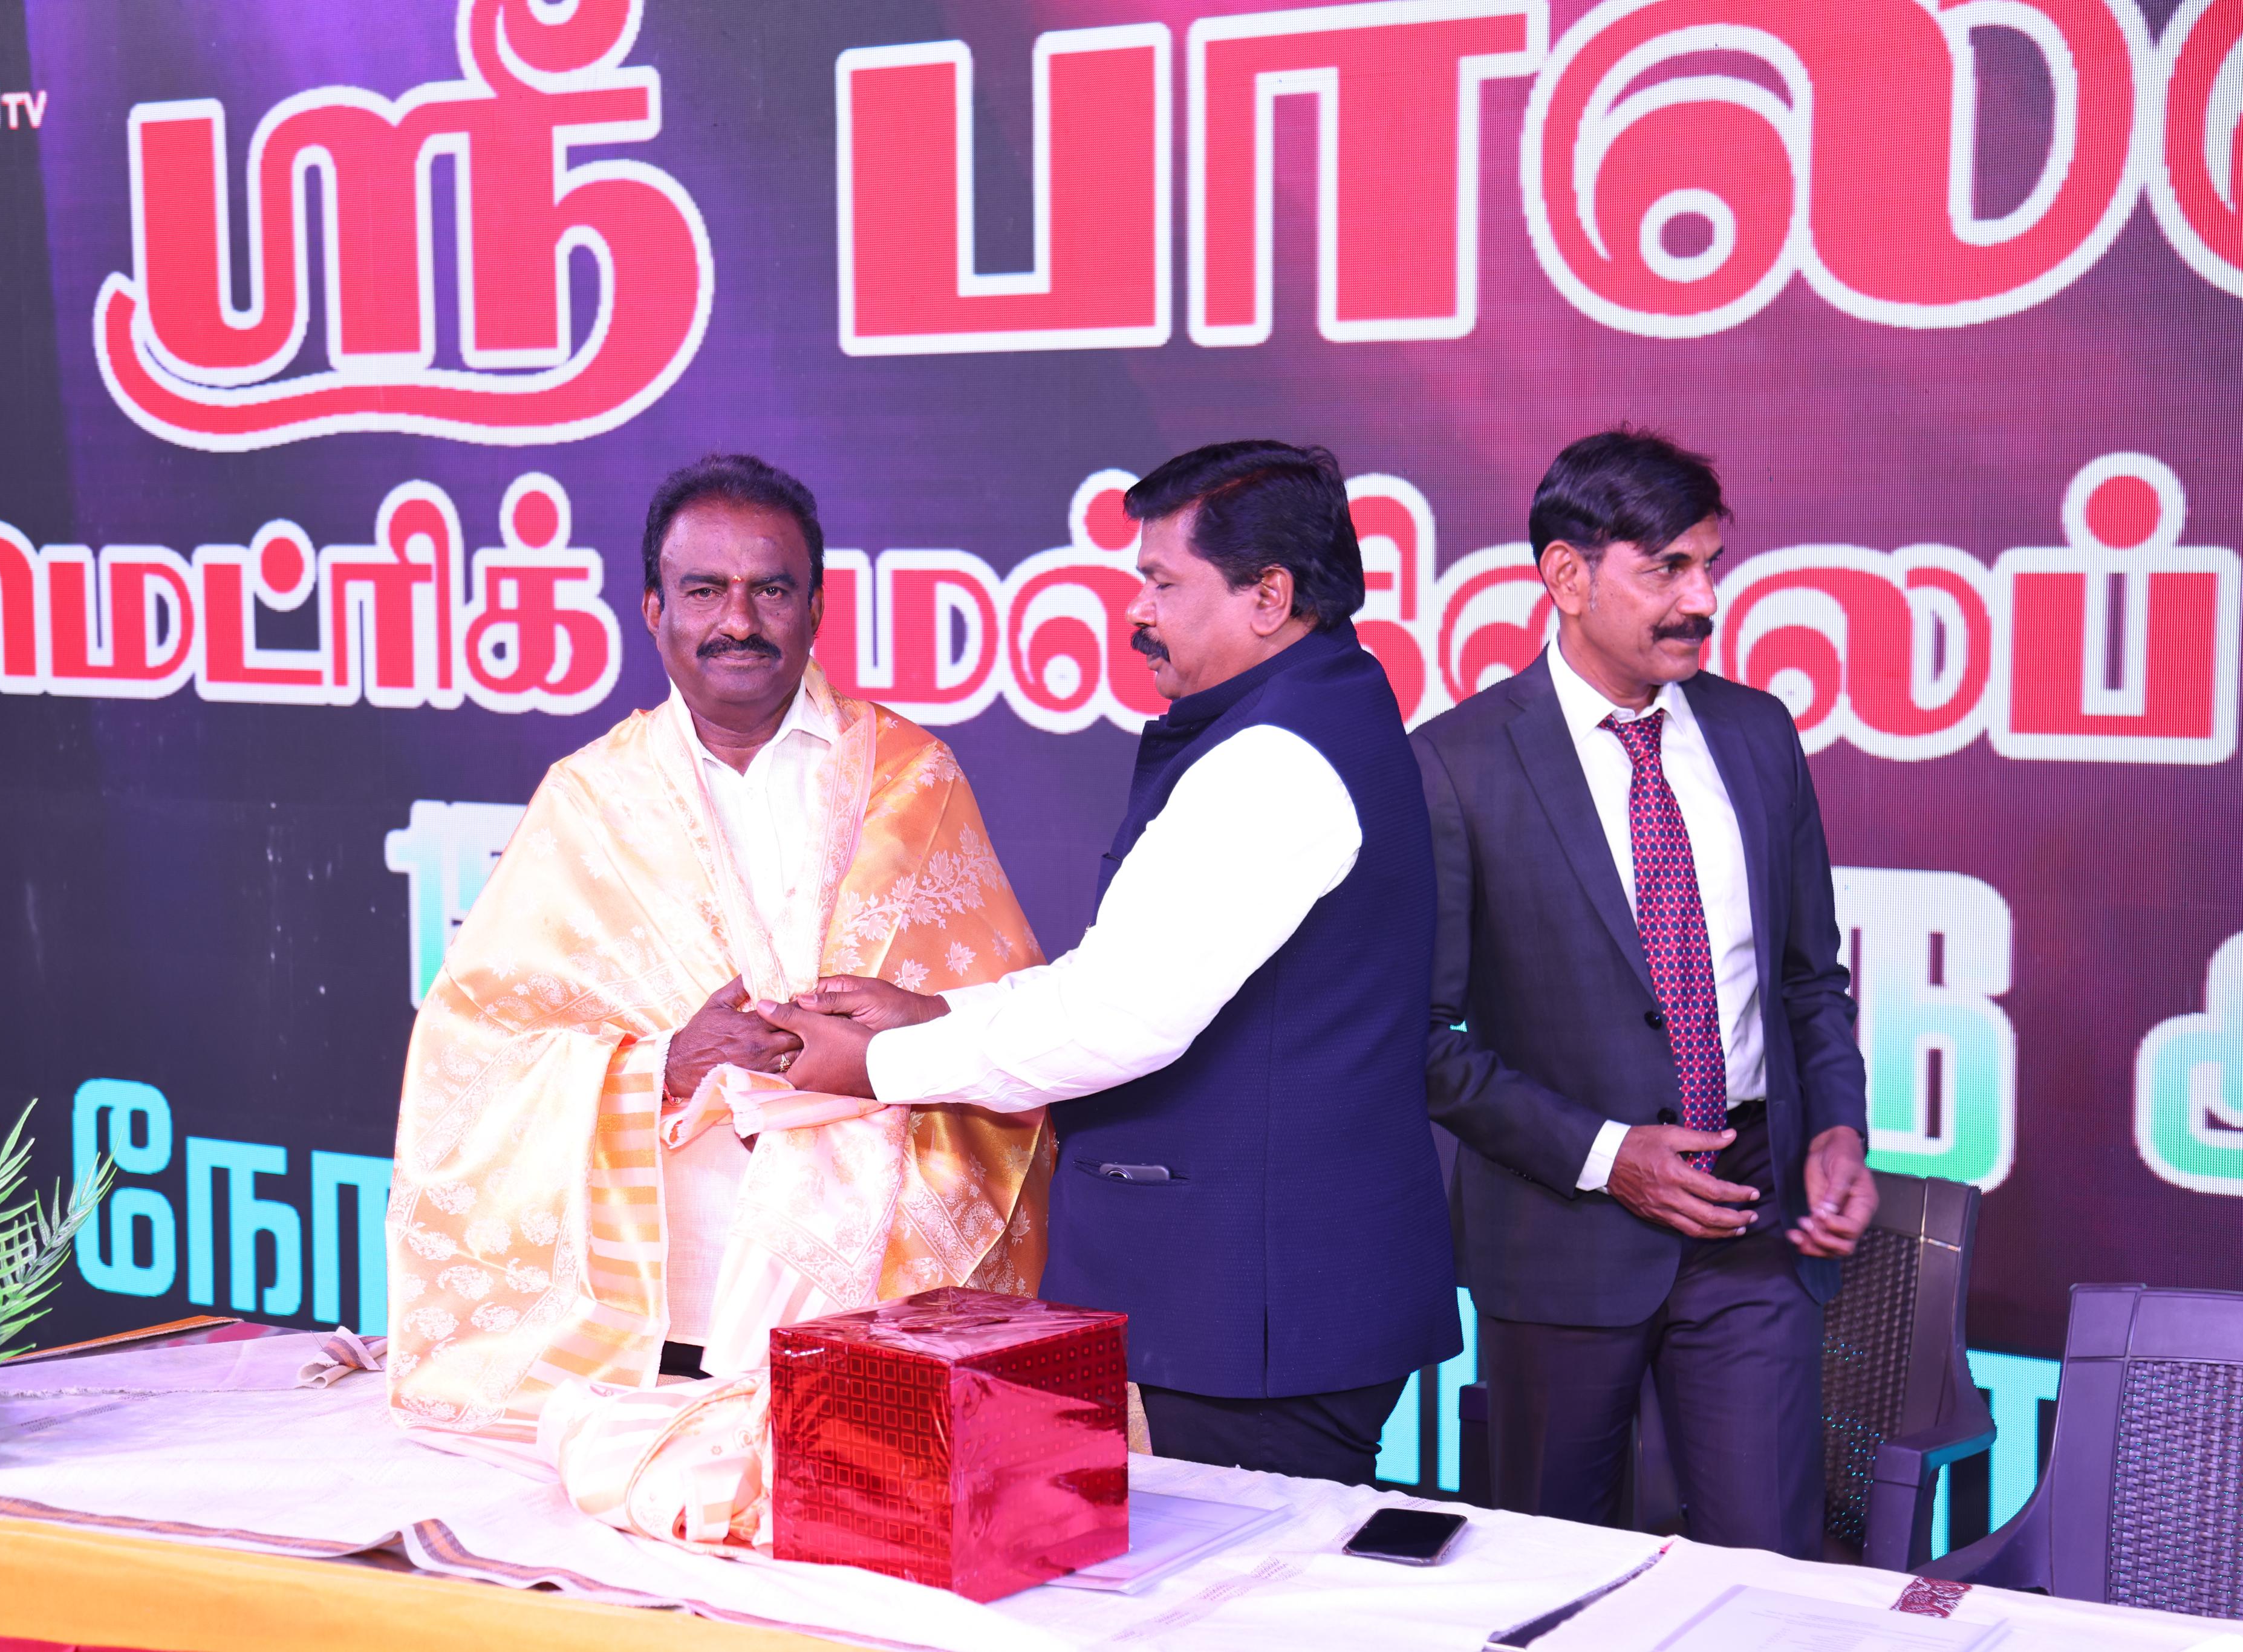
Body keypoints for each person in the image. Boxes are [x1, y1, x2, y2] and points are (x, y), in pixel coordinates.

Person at [755, 441, 1462, 1487]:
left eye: (1163, 584)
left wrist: (875, 1067)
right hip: (1270, 1303)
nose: (1138, 611)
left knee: (1235, 1576)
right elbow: (1124, 975)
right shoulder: (1322, 707)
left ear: (1270, 597)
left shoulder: (1273, 762)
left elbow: (1123, 1016)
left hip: (1252, 1319)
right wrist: (936, 1015)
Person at [383, 455, 1050, 1548]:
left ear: (817, 608)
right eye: (704, 590)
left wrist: (895, 1036)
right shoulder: (592, 799)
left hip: (864, 1316)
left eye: (770, 589)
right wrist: (662, 1064)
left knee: (849, 1582)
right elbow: (477, 1050)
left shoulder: (911, 780)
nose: (738, 621)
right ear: (654, 610)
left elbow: (1002, 1023)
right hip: (658, 1339)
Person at [1413, 427, 1874, 1557]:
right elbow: (1424, 1041)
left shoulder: (1758, 734)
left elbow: (1811, 978)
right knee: (1545, 1569)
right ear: (1567, 576)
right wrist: (1608, 1155)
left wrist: (1838, 1126)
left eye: (1710, 565)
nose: (1701, 600)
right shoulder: (1456, 765)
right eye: (1667, 568)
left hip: (1753, 1216)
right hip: (1560, 1233)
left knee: (1766, 1574)